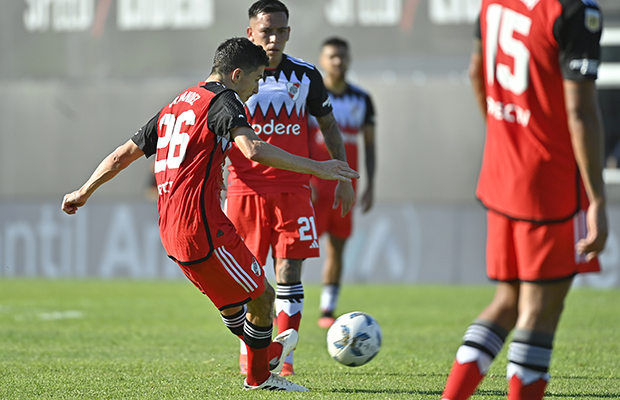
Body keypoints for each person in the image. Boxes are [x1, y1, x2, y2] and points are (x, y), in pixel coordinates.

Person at [61, 37, 358, 392]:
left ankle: (269, 353)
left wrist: (83, 191)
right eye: (257, 78)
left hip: (171, 232)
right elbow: (253, 148)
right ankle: (261, 376)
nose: (258, 86)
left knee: (236, 309)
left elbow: (121, 156)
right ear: (236, 75)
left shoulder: (177, 104)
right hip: (204, 229)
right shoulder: (225, 101)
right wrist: (318, 168)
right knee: (262, 297)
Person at [441, 1, 608, 399]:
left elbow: (475, 72)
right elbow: (580, 112)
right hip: (548, 184)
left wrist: (506, 139)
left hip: (502, 173)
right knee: (541, 310)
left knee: (509, 301)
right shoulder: (573, 11)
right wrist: (598, 199)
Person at [225, 1, 355, 376]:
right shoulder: (235, 76)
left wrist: (344, 176)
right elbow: (217, 124)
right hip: (244, 190)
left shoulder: (307, 75)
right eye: (267, 31)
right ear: (251, 33)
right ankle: (251, 356)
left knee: (289, 272)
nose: (275, 38)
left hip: (294, 189)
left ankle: (286, 362)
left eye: (282, 31)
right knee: (248, 279)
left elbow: (329, 125)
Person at [308, 37, 376, 329]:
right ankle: (284, 302)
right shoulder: (310, 95)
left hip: (345, 186)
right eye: (332, 57)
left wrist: (371, 184)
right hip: (313, 185)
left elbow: (370, 145)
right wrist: (303, 177)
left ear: (349, 60)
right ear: (323, 61)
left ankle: (327, 309)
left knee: (337, 247)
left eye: (342, 57)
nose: (337, 62)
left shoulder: (362, 99)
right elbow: (299, 139)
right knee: (294, 248)